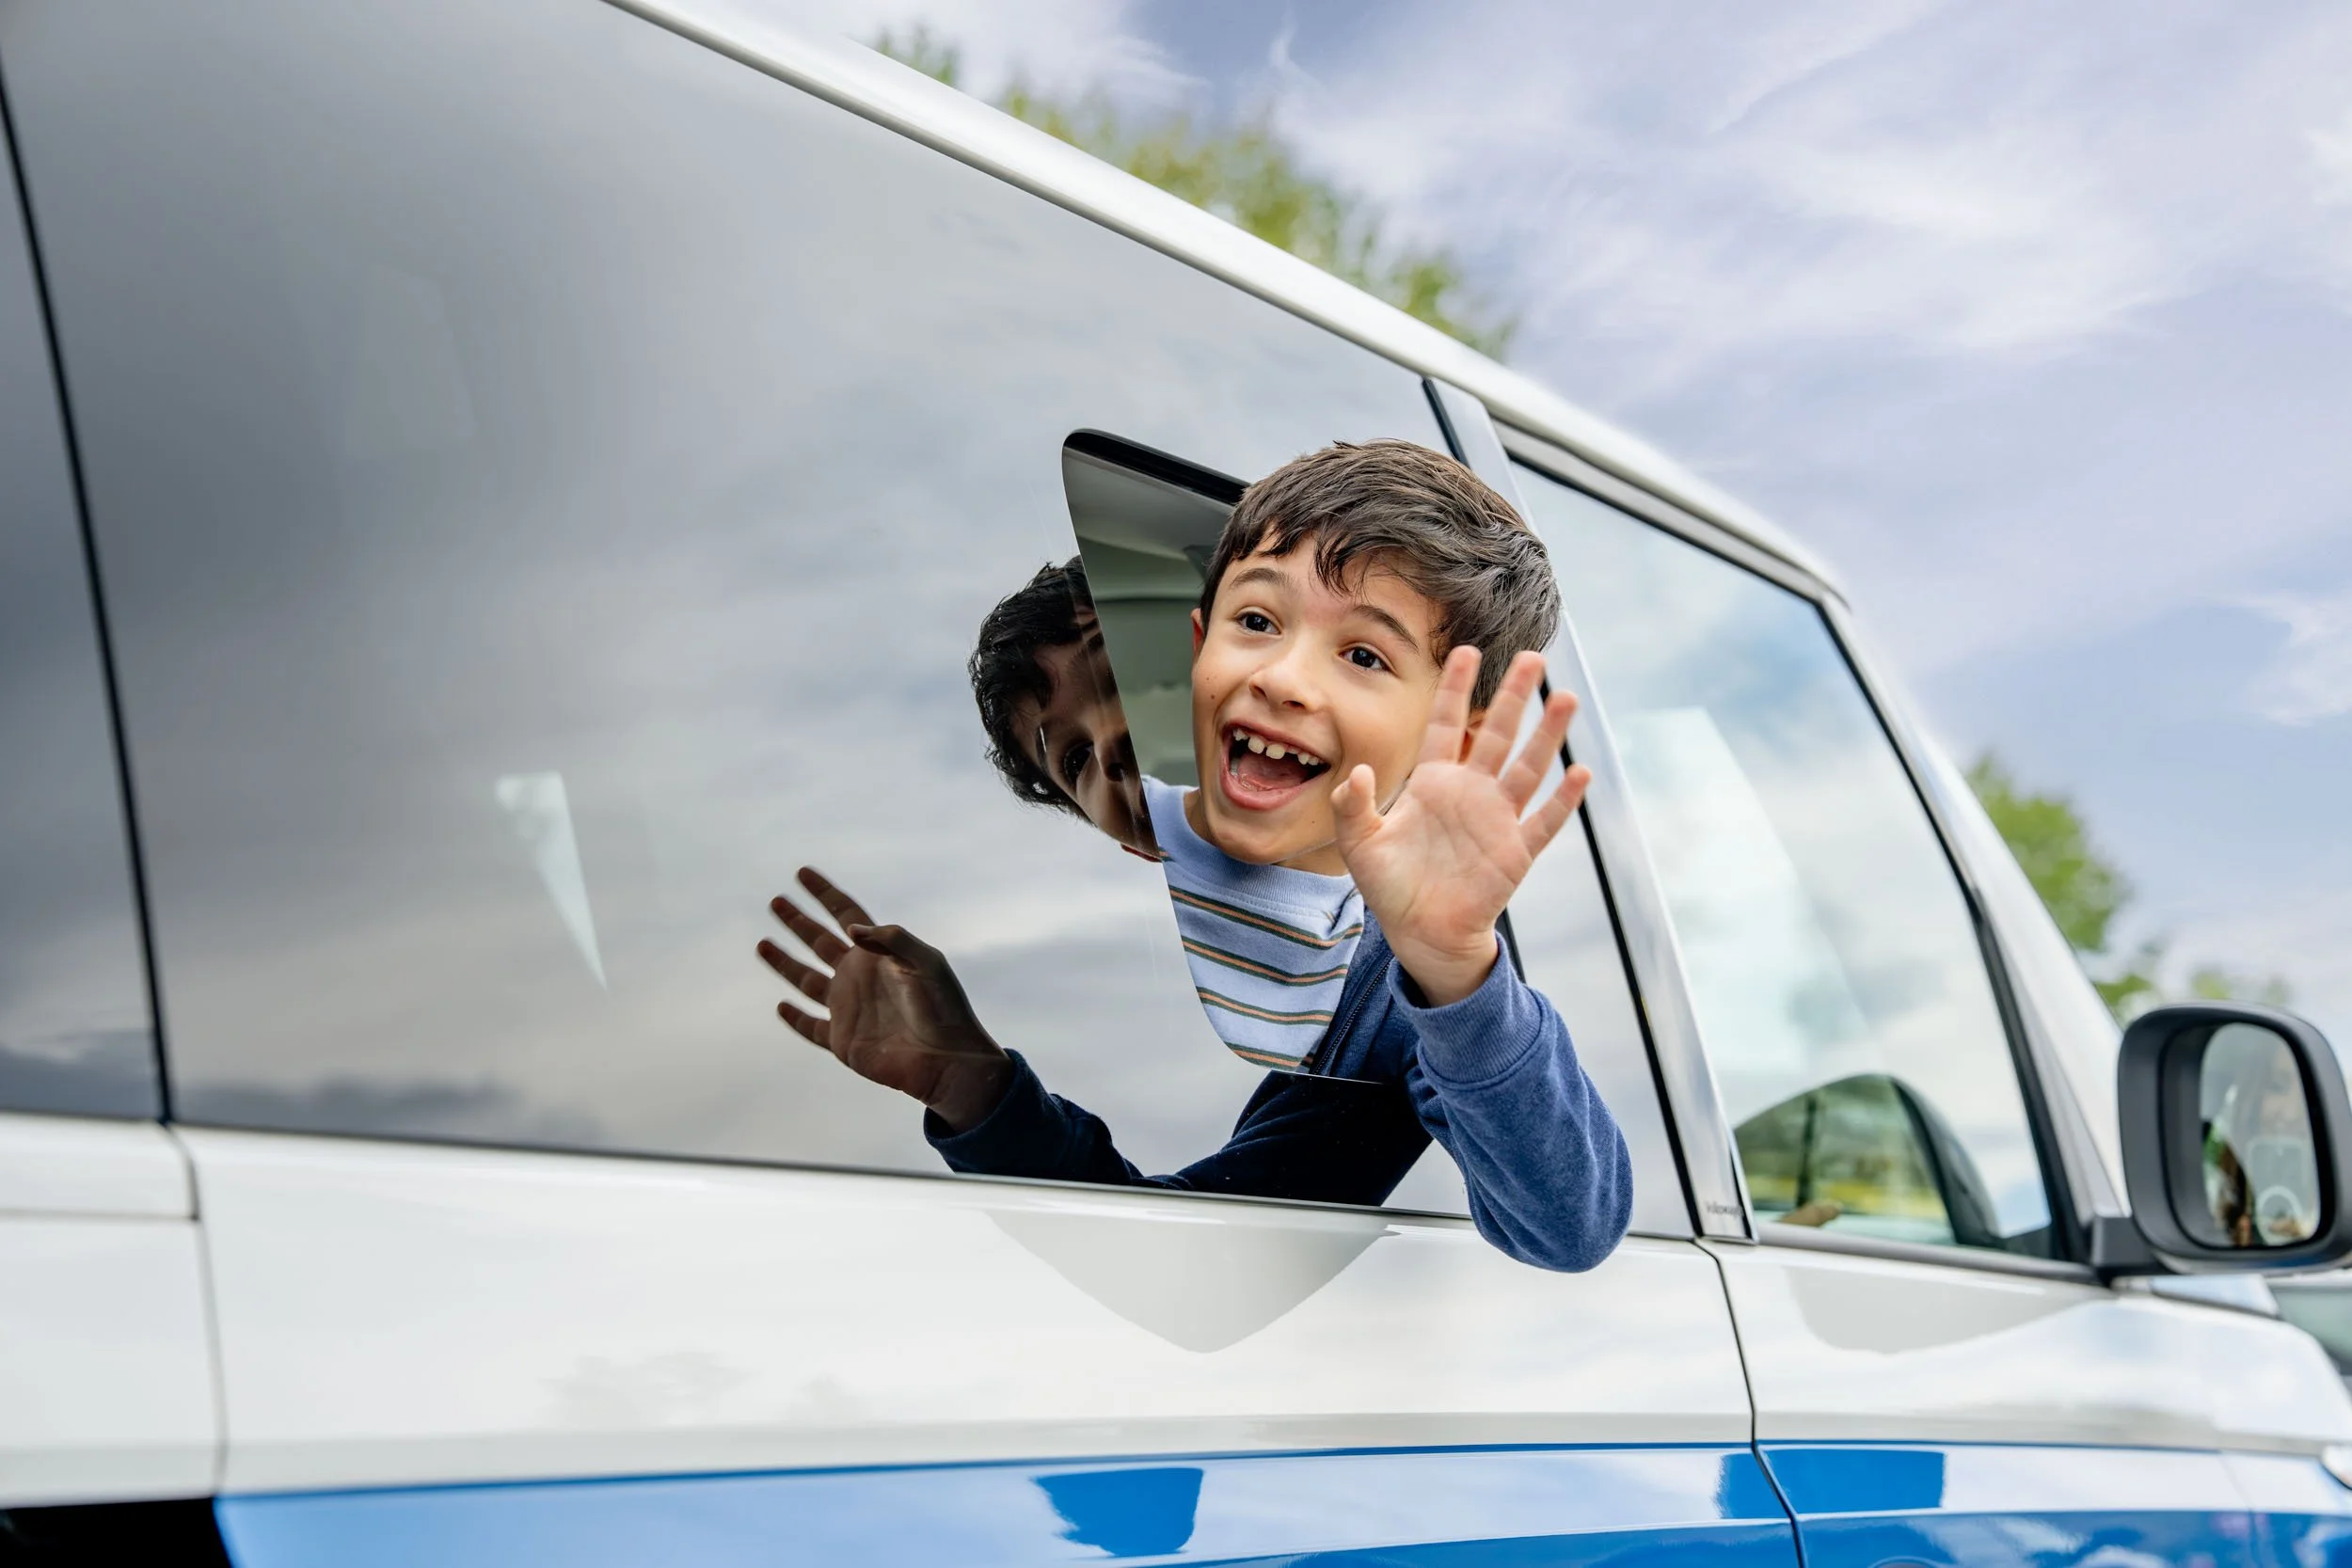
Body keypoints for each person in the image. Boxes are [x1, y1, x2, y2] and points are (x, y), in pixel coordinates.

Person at [759, 440, 1631, 1272]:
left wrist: (1457, 970)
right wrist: (972, 1083)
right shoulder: (1144, 947)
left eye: (1361, 653)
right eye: (1072, 760)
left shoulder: (1382, 992)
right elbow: (1177, 1251)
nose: (1116, 749)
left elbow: (1572, 1222)